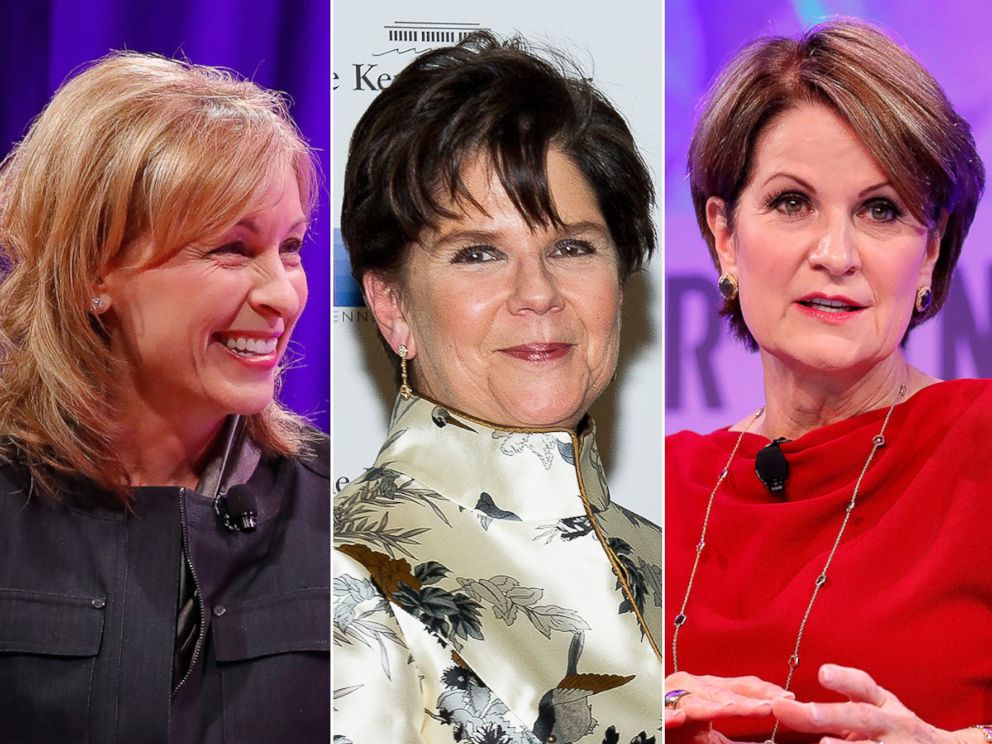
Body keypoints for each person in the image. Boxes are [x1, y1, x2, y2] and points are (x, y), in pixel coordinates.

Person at [664, 19, 990, 744]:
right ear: (723, 234)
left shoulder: (981, 446)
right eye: (791, 202)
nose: (835, 254)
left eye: (881, 210)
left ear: (931, 249)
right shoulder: (652, 487)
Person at [333, 33, 662, 744]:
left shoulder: (683, 566)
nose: (537, 293)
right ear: (392, 307)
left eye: (571, 247)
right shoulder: (345, 580)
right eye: (478, 254)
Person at [0, 53, 329, 743]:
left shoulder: (348, 514)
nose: (282, 294)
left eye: (291, 246)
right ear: (93, 268)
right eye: (232, 250)